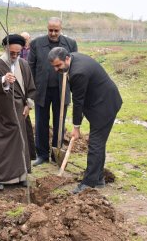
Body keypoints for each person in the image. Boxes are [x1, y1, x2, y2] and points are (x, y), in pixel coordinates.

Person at [48, 47, 122, 194]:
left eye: (58, 66)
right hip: (98, 102)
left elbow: (78, 102)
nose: (56, 69)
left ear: (67, 59)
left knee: (95, 143)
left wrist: (76, 127)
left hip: (105, 105)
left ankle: (88, 183)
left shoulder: (78, 72)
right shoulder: (73, 60)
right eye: (54, 66)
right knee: (98, 143)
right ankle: (98, 178)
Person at [0, 34, 36, 191]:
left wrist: (28, 105)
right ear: (5, 49)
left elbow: (30, 88)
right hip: (1, 113)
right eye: (11, 53)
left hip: (20, 113)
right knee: (1, 144)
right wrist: (4, 80)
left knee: (20, 142)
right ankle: (0, 178)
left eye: (17, 53)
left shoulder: (24, 65)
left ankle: (21, 176)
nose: (14, 56)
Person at [28, 18, 77, 166]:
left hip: (61, 91)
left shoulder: (70, 44)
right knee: (41, 122)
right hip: (41, 91)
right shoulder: (36, 44)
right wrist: (31, 89)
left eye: (56, 30)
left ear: (61, 29)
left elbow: (74, 65)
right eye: (51, 30)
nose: (53, 33)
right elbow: (30, 67)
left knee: (59, 123)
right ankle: (42, 154)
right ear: (47, 28)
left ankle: (56, 154)